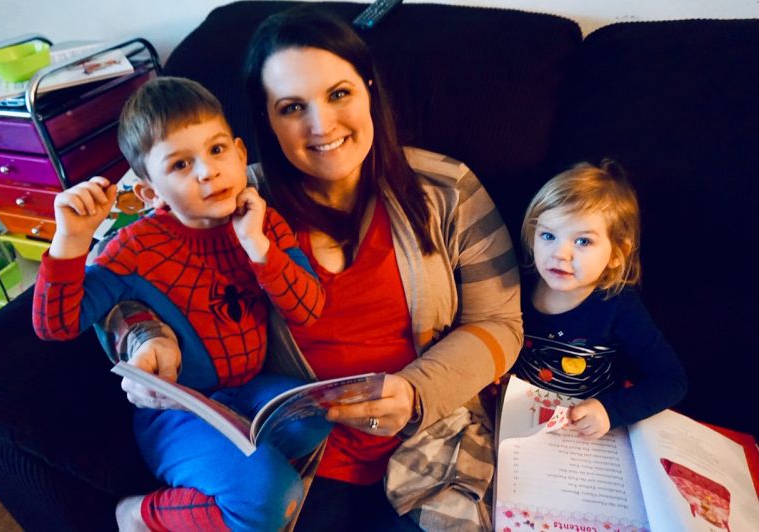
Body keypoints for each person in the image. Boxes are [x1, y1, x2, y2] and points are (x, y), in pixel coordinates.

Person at [105, 6, 523, 531]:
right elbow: (125, 277)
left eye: (339, 93)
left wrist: (418, 393)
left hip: (430, 439)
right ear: (265, 120)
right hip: (300, 456)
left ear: (369, 89)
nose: (322, 125)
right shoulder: (228, 200)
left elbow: (500, 322)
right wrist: (142, 338)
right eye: (292, 107)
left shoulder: (447, 188)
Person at [31, 76, 331, 532]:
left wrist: (258, 247)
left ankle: (240, 474)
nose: (207, 172)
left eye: (216, 150)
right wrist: (70, 241)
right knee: (272, 499)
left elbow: (309, 309)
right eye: (180, 164)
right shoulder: (134, 248)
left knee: (315, 417)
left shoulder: (262, 222)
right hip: (174, 413)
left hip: (247, 392)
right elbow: (57, 324)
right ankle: (138, 515)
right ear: (151, 192)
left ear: (240, 154)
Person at [514, 160, 687, 439]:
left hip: (586, 434)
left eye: (583, 241)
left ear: (618, 252)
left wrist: (610, 411)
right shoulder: (516, 285)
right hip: (519, 420)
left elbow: (671, 380)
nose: (560, 254)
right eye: (548, 235)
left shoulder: (619, 305)